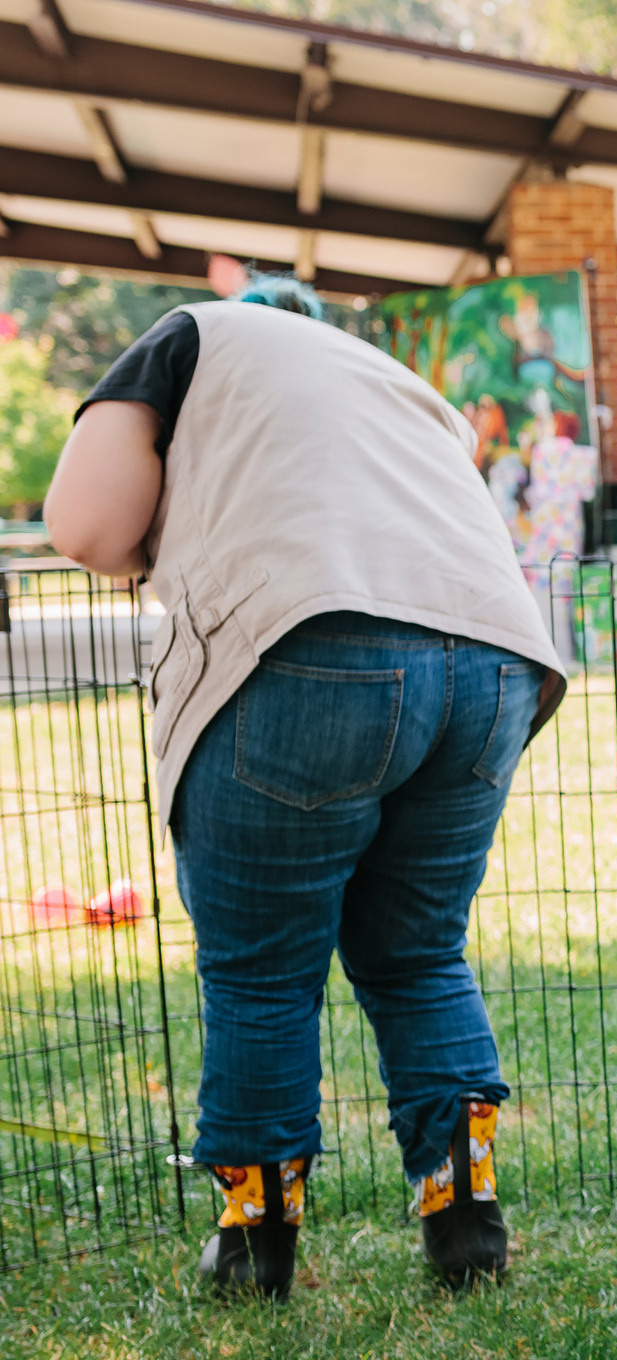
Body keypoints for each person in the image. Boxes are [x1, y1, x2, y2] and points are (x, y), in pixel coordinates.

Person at [41, 272, 564, 1300]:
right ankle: (465, 1215)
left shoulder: (189, 338)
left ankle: (255, 1238)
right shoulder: (399, 380)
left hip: (312, 646)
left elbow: (86, 529)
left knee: (261, 972)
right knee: (418, 954)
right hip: (494, 661)